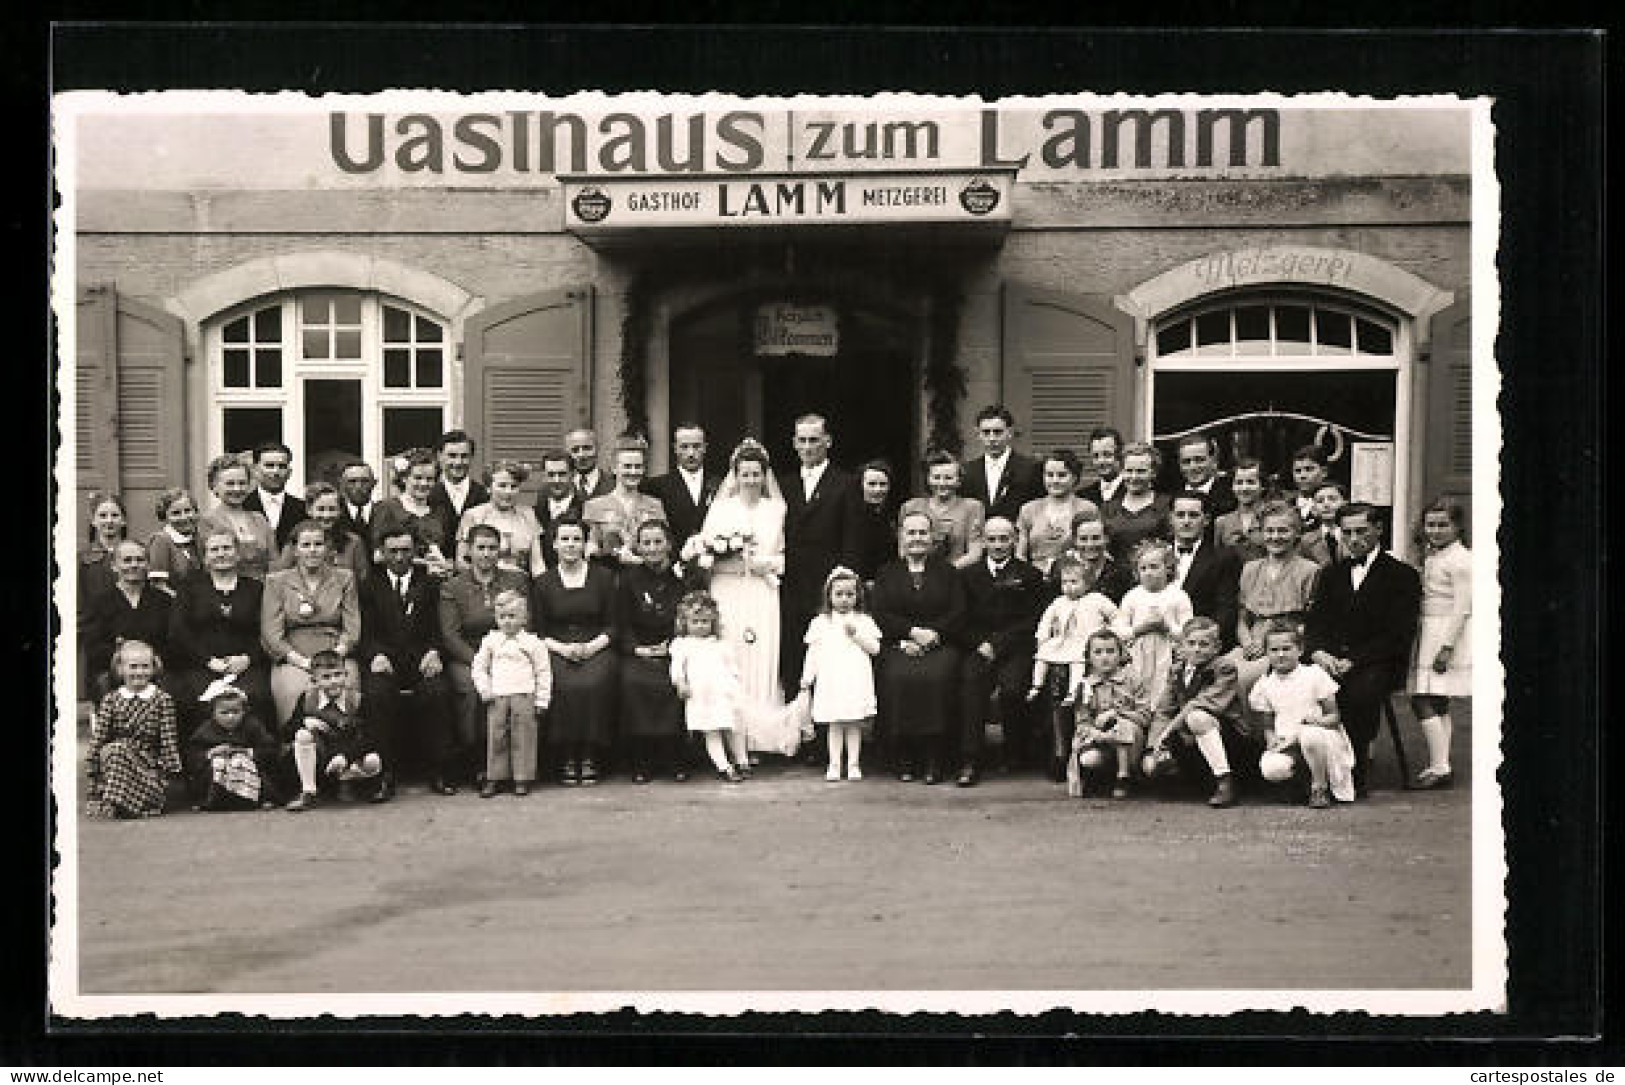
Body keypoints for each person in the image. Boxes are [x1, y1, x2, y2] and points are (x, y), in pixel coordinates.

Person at [1304, 502, 1423, 795]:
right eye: (1348, 533)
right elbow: (1317, 622)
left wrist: (1353, 660)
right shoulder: (1332, 573)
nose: (1354, 539)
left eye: (1361, 531)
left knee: (1359, 692)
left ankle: (1353, 769)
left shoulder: (1402, 576)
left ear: (1378, 530)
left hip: (1378, 660)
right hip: (1330, 657)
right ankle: (1309, 767)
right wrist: (1320, 652)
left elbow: (1398, 634)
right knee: (1296, 682)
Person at [700, 437, 798, 757]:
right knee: (733, 656)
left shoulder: (776, 510)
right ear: (736, 475)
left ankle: (759, 737)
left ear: (765, 475)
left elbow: (782, 558)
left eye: (757, 474)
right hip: (728, 590)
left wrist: (760, 564)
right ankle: (732, 735)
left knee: (761, 656)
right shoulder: (722, 508)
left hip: (762, 591)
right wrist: (727, 552)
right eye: (745, 473)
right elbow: (706, 553)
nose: (751, 480)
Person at [872, 511, 966, 784]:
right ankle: (903, 756)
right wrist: (908, 634)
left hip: (940, 644)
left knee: (937, 678)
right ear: (901, 536)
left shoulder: (948, 572)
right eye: (911, 533)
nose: (916, 538)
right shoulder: (887, 572)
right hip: (898, 644)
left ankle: (934, 756)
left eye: (922, 533)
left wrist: (934, 635)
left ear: (932, 538)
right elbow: (881, 613)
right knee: (897, 677)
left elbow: (958, 611)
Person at [359, 523, 451, 798]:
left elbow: (439, 627)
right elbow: (364, 630)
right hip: (384, 660)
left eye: (406, 551)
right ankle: (383, 774)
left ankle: (439, 770)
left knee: (437, 692)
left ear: (415, 552)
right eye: (393, 551)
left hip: (421, 659)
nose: (400, 558)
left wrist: (435, 651)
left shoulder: (431, 583)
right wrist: (374, 654)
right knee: (377, 695)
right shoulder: (368, 584)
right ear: (381, 553)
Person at [956, 515, 1046, 785]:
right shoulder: (968, 575)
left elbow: (1032, 619)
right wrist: (980, 644)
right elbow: (960, 616)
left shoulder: (1030, 575)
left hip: (1015, 646)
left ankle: (1015, 751)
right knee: (971, 684)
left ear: (1015, 540)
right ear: (983, 541)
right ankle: (970, 758)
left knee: (1013, 688)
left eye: (1004, 539)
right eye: (992, 539)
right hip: (978, 646)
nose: (998, 545)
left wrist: (999, 644)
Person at [779, 414, 860, 710]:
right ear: (794, 443)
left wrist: (845, 580)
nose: (808, 446)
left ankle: (825, 736)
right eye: (802, 440)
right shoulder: (782, 484)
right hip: (790, 582)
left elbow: (853, 536)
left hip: (828, 583)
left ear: (828, 441)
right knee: (793, 653)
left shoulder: (846, 483)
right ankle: (795, 729)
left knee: (828, 655)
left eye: (814, 440)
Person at [439, 523, 529, 788]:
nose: (487, 554)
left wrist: (504, 655)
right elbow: (450, 635)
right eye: (481, 548)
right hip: (469, 654)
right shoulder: (453, 586)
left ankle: (515, 765)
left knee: (515, 687)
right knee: (471, 688)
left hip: (510, 650)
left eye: (492, 548)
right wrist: (481, 661)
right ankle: (477, 759)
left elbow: (526, 621)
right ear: (469, 550)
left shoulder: (515, 581)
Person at [532, 518, 618, 785]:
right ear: (555, 544)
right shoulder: (543, 582)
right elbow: (538, 630)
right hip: (557, 648)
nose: (571, 545)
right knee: (563, 684)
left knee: (593, 683)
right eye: (565, 539)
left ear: (584, 544)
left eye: (576, 539)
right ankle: (567, 754)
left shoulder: (603, 578)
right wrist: (562, 648)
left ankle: (590, 754)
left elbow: (614, 625)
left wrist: (591, 647)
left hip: (596, 645)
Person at [165, 528, 271, 735]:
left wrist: (247, 659)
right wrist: (208, 661)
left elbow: (266, 630)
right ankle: (204, 758)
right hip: (201, 665)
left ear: (237, 553)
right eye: (214, 549)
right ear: (205, 556)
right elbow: (178, 632)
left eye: (227, 548)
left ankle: (254, 758)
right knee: (195, 699)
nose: (221, 554)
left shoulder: (255, 588)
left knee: (258, 696)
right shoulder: (189, 588)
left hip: (246, 666)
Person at [261, 519, 361, 725]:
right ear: (295, 550)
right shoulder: (276, 582)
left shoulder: (344, 578)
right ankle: (296, 749)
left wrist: (333, 659)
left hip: (336, 655)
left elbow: (352, 627)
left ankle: (346, 749)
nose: (312, 550)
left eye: (318, 544)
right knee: (294, 690)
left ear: (327, 548)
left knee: (346, 684)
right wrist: (302, 662)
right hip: (294, 657)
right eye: (306, 545)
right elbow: (271, 633)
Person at [1142, 617, 1248, 808]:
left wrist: (1170, 731)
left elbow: (1205, 703)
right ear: (1181, 646)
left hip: (1227, 737)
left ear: (1217, 647)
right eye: (1191, 643)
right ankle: (1187, 779)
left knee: (1197, 717)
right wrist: (1154, 747)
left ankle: (1225, 782)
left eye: (1204, 644)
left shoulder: (1225, 668)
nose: (1197, 649)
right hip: (1188, 735)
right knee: (1151, 765)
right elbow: (1163, 711)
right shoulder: (1176, 671)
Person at [1029, 555, 1119, 776]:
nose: (1068, 588)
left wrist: (1115, 636)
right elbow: (1045, 622)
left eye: (1074, 582)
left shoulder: (1097, 600)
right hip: (1063, 649)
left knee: (1081, 676)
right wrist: (1042, 639)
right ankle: (1061, 750)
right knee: (1052, 669)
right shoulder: (1058, 603)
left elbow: (1116, 617)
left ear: (1087, 583)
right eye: (1064, 583)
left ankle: (1089, 751)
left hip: (1092, 652)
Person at [613, 520, 689, 784]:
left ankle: (673, 755)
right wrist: (637, 649)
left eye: (658, 542)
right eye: (647, 543)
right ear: (638, 547)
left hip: (675, 647)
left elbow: (690, 618)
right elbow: (620, 622)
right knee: (634, 681)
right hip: (638, 649)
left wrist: (672, 644)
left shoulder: (681, 579)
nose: (653, 548)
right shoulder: (627, 580)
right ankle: (642, 758)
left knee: (676, 681)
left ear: (669, 544)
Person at [1251, 620, 1354, 809]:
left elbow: (1334, 717)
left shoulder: (1314, 675)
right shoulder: (1265, 685)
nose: (1280, 654)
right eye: (1274, 650)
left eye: (1286, 648)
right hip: (1287, 740)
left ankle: (1319, 786)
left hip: (1319, 736)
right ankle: (1300, 782)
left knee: (1309, 736)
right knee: (1271, 768)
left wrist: (1316, 721)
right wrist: (1271, 738)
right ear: (1266, 653)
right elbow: (1267, 723)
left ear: (1300, 650)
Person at [1407, 496, 1473, 789]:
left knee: (1421, 699)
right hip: (1428, 628)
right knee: (1437, 700)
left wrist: (1446, 647)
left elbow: (1462, 607)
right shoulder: (1435, 556)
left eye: (1442, 525)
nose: (1434, 531)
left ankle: (1439, 765)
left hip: (1444, 632)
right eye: (1430, 525)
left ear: (1458, 527)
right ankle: (1441, 764)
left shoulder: (1461, 561)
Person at [797, 566, 882, 782]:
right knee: (834, 723)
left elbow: (875, 649)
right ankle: (834, 763)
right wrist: (808, 677)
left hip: (854, 677)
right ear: (829, 596)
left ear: (857, 596)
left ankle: (853, 764)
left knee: (853, 723)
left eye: (850, 594)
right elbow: (813, 652)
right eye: (839, 594)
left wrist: (857, 636)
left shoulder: (863, 621)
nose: (844, 599)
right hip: (832, 679)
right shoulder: (821, 623)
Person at [85, 640, 182, 819]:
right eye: (133, 666)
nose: (139, 672)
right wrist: (93, 783)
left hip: (147, 769)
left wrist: (166, 776)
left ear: (154, 669)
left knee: (119, 753)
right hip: (115, 764)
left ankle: (126, 803)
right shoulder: (110, 700)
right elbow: (98, 739)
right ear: (121, 669)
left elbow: (169, 741)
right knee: (115, 750)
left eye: (145, 666)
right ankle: (117, 802)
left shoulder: (163, 700)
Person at [472, 590, 552, 798]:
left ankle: (522, 777)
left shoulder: (533, 643)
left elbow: (543, 672)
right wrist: (485, 688)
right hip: (497, 696)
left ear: (524, 618)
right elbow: (479, 667)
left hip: (524, 695)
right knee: (497, 736)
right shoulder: (491, 641)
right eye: (502, 617)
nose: (507, 622)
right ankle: (495, 777)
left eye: (512, 616)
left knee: (523, 736)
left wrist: (542, 699)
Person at [283, 649, 383, 811]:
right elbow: (286, 732)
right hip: (322, 756)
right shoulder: (307, 699)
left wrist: (346, 757)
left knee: (373, 760)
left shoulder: (358, 700)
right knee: (302, 735)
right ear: (314, 680)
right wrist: (304, 722)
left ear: (346, 674)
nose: (334, 681)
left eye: (338, 675)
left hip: (350, 755)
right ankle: (309, 791)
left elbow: (372, 737)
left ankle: (350, 782)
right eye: (326, 677)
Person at [670, 590, 747, 782]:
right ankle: (723, 766)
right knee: (710, 730)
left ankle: (742, 760)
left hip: (723, 692)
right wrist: (681, 683)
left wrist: (735, 685)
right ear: (685, 623)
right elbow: (677, 668)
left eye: (705, 622)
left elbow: (732, 666)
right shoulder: (682, 645)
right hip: (701, 695)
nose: (700, 626)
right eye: (695, 622)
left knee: (732, 726)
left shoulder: (720, 644)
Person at [1066, 629, 1152, 800]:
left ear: (1121, 655)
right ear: (1089, 657)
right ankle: (1099, 778)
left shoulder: (1133, 680)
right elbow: (1082, 723)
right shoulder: (1085, 686)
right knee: (1089, 758)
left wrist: (1118, 713)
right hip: (1101, 740)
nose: (1104, 657)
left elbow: (1145, 716)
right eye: (1098, 652)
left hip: (1132, 742)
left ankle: (1124, 776)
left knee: (1123, 725)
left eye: (1111, 651)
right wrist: (1099, 734)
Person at [82, 540, 173, 700]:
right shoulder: (99, 602)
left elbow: (173, 641)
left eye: (139, 560)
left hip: (155, 673)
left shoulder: (164, 601)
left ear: (148, 564)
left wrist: (149, 661)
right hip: (114, 675)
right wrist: (125, 657)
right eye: (127, 560)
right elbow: (94, 647)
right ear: (114, 565)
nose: (134, 565)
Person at [1113, 539, 1194, 714]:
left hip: (1168, 652)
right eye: (1143, 568)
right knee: (1139, 690)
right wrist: (1141, 629)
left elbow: (1189, 631)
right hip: (1138, 654)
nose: (1149, 573)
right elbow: (1119, 630)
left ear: (1169, 569)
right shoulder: (1132, 596)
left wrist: (1167, 628)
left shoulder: (1178, 596)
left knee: (1165, 692)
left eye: (1154, 567)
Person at [184, 684, 279, 811]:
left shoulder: (252, 726)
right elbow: (191, 755)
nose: (230, 717)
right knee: (218, 764)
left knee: (242, 763)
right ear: (213, 714)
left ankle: (258, 799)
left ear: (244, 711)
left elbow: (270, 749)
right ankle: (210, 800)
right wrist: (211, 753)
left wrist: (247, 752)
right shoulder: (205, 730)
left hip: (248, 771)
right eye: (224, 713)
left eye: (235, 712)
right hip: (217, 772)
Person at [1168, 491, 1242, 652]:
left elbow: (1226, 610)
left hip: (1201, 648)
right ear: (1171, 519)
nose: (1186, 521)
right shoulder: (1156, 554)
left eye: (1193, 515)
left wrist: (1199, 643)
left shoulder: (1223, 558)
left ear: (1206, 520)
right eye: (1180, 515)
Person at [582, 437, 667, 567]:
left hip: (645, 578)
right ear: (614, 468)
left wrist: (639, 561)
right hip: (608, 578)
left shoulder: (655, 505)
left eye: (638, 467)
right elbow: (591, 548)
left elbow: (665, 552)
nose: (633, 472)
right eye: (627, 466)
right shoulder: (594, 506)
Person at [369, 450, 455, 578]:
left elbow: (449, 554)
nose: (424, 484)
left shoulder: (440, 512)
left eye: (429, 479)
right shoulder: (386, 508)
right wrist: (424, 564)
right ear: (404, 478)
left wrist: (446, 566)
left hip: (435, 582)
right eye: (418, 478)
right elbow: (377, 556)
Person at [457, 461, 547, 579]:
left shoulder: (528, 515)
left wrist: (544, 587)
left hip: (522, 586)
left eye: (513, 487)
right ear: (489, 488)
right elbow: (461, 563)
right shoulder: (474, 516)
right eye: (502, 486)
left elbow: (537, 563)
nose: (508, 492)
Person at [1015, 450, 1098, 576]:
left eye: (1061, 475)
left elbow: (1095, 550)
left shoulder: (1087, 509)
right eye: (1049, 475)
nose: (1055, 480)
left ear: (1074, 477)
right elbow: (1020, 555)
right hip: (1036, 580)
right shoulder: (1028, 509)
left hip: (1074, 578)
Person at [641, 423, 719, 554]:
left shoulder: (719, 484)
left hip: (711, 560)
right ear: (675, 448)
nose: (691, 453)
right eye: (684, 447)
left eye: (696, 446)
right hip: (671, 564)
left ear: (705, 448)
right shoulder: (656, 486)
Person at [900, 451, 986, 570]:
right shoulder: (911, 507)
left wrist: (945, 572)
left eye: (948, 478)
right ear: (928, 479)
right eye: (936, 477)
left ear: (958, 481)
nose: (942, 483)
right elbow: (903, 551)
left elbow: (975, 553)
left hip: (958, 575)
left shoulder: (972, 507)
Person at [960, 405, 1044, 524]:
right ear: (978, 434)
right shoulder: (968, 470)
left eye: (998, 432)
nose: (992, 438)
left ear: (1009, 432)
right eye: (986, 432)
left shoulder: (1030, 468)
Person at [197, 454, 276, 579]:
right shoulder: (207, 521)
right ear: (214, 487)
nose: (237, 488)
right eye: (230, 483)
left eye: (242, 483)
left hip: (263, 591)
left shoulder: (259, 519)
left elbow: (273, 562)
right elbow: (206, 566)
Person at [270, 482, 370, 580]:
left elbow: (362, 581)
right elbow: (280, 578)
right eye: (321, 509)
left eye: (332, 509)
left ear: (340, 511)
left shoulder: (353, 542)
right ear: (309, 510)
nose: (326, 515)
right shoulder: (296, 540)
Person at [1102, 442, 1171, 565]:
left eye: (1140, 471)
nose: (1133, 477)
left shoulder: (1166, 505)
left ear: (1153, 473)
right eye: (1129, 471)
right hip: (1117, 577)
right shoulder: (1108, 508)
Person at [1047, 512, 1134, 605]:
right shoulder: (1060, 568)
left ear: (1106, 538)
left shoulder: (1120, 573)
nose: (1090, 544)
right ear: (1075, 540)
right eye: (1083, 539)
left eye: (1096, 538)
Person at [429, 430, 490, 549]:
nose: (458, 462)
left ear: (471, 458)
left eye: (464, 456)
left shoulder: (484, 495)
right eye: (452, 456)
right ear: (439, 456)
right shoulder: (429, 494)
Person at [242, 441, 307, 552]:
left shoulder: (303, 508)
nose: (276, 472)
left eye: (281, 466)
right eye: (269, 465)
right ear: (255, 469)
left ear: (289, 472)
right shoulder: (243, 506)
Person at [533, 449, 586, 569]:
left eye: (562, 474)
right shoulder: (535, 511)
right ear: (543, 476)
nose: (556, 480)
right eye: (551, 475)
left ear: (572, 475)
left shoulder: (586, 509)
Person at [852, 459, 900, 585]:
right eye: (872, 484)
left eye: (883, 484)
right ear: (861, 485)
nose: (877, 490)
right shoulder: (851, 517)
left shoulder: (892, 515)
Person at [146, 488, 202, 593]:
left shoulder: (197, 539)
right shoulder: (161, 541)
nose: (184, 517)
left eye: (188, 511)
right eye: (176, 513)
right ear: (165, 517)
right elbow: (158, 585)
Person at [1213, 457, 1268, 560]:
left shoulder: (1272, 517)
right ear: (1232, 487)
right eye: (1239, 482)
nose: (1244, 488)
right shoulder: (1222, 522)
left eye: (1250, 482)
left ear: (1262, 486)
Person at [79, 492, 127, 607]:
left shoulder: (136, 555)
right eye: (103, 515)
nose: (109, 521)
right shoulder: (82, 559)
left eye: (115, 515)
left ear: (123, 520)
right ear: (93, 521)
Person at [1174, 434, 1237, 516]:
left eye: (1199, 460)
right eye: (1186, 462)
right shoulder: (1173, 496)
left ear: (1213, 460)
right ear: (1179, 464)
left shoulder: (1232, 496)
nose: (1193, 467)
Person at [1299, 481, 1349, 567]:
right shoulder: (1306, 541)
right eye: (1320, 501)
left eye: (1332, 499)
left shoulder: (1354, 534)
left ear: (1345, 504)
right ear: (1314, 509)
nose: (1326, 504)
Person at [1077, 427, 1126, 508]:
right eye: (1096, 456)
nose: (1101, 461)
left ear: (1120, 455)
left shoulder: (1132, 491)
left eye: (1107, 455)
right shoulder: (1083, 496)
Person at [566, 427, 613, 501]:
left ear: (597, 449)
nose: (581, 455)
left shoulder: (614, 484)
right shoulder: (562, 484)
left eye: (587, 448)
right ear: (568, 453)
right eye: (575, 450)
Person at [1288, 444, 1331, 526]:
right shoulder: (1286, 504)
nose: (1302, 475)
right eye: (1298, 471)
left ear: (1324, 472)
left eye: (1309, 469)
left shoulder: (1334, 504)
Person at [336, 460, 379, 541]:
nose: (358, 487)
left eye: (365, 481)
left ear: (374, 483)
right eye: (352, 481)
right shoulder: (335, 516)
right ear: (342, 484)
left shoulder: (384, 514)